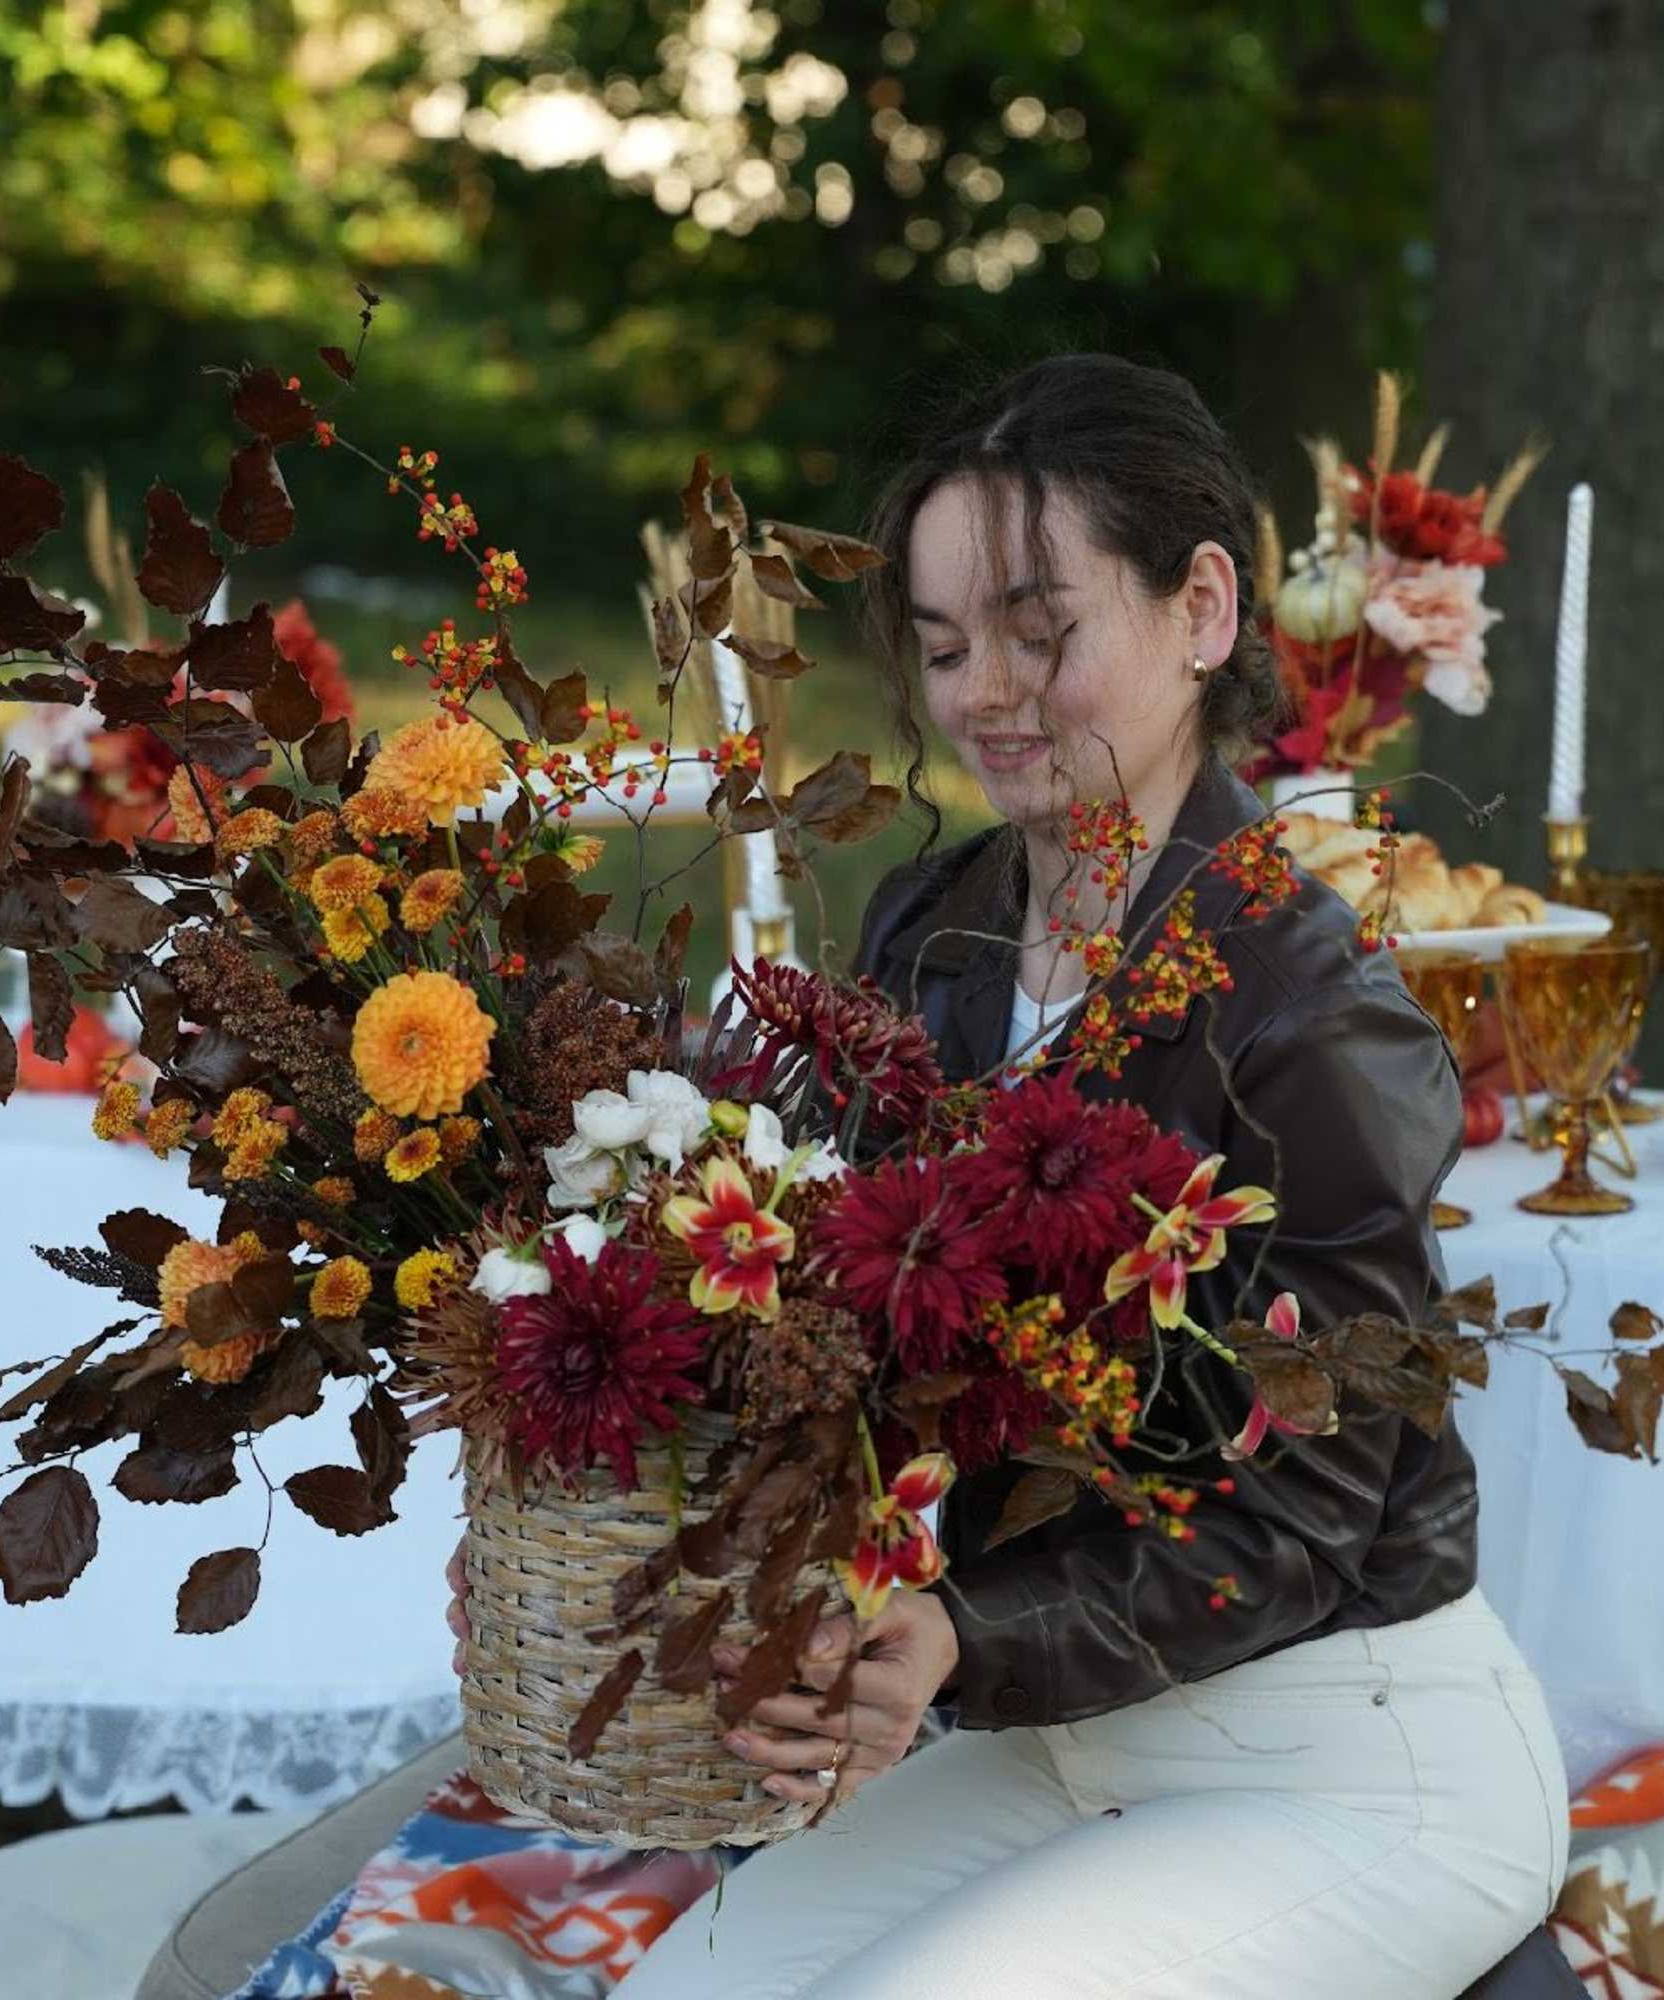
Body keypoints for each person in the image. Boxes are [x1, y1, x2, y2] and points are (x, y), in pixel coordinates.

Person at [443, 355, 1571, 1998]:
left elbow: (1315, 1513)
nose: (987, 694)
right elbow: (819, 1319)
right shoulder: (936, 927)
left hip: (1346, 1754)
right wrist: (595, 1509)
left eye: (1042, 632)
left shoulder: (1316, 1019)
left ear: (1200, 609)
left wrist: (968, 1636)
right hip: (1047, 1730)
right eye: (951, 643)